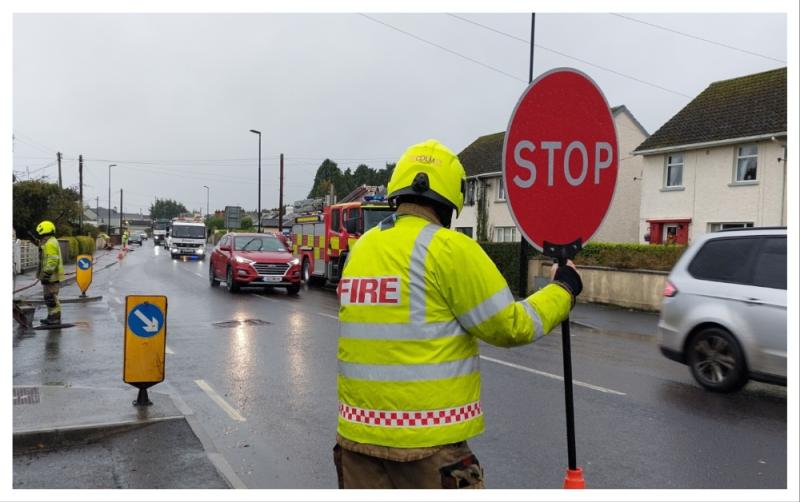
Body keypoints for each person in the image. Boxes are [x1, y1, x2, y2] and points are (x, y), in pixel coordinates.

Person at [333, 139, 583, 489]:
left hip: (357, 442)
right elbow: (511, 326)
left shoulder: (360, 251)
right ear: (450, 201)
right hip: (428, 447)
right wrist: (564, 290)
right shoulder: (450, 249)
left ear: (398, 192)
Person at [35, 220, 65, 325]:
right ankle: (51, 316)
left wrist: (46, 274)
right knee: (49, 297)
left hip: (52, 276)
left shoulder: (50, 243)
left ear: (45, 232)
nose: (39, 236)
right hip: (51, 276)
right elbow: (43, 248)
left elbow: (52, 260)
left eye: (40, 234)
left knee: (51, 298)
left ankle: (55, 318)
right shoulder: (50, 241)